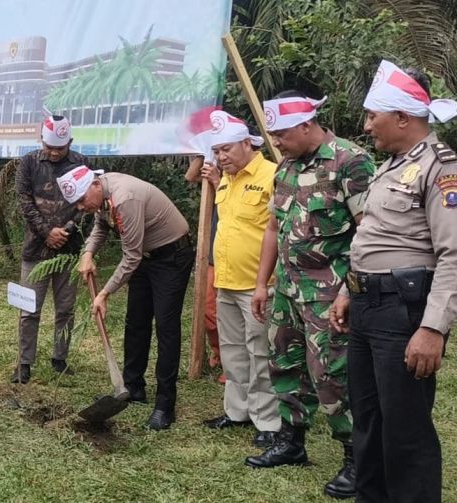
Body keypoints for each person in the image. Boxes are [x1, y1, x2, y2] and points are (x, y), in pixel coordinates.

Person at [330, 60, 457, 503]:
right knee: (368, 421)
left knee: (405, 430)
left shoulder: (444, 170)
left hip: (404, 311)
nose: (367, 125)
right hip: (368, 306)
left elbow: (454, 256)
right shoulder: (389, 165)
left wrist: (432, 328)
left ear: (402, 118)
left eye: (374, 116)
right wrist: (346, 289)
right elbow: (374, 237)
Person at [246, 91, 375, 499]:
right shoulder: (286, 166)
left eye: (282, 134)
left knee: (331, 374)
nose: (277, 142)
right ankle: (292, 441)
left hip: (330, 292)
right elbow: (272, 228)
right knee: (285, 363)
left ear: (307, 125)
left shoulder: (350, 161)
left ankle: (357, 457)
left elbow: (370, 234)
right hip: (288, 288)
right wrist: (263, 282)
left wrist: (350, 290)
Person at [61, 166, 194, 431]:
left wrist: (104, 293)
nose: (80, 207)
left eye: (81, 200)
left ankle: (165, 405)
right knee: (136, 323)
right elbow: (101, 225)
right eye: (74, 203)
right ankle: (133, 388)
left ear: (95, 185)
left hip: (171, 257)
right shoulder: (102, 196)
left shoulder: (125, 198)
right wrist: (88, 253)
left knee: (166, 327)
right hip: (146, 257)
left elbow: (130, 256)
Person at [198, 111, 280, 448]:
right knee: (233, 352)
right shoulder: (227, 180)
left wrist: (264, 283)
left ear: (248, 143)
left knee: (261, 351)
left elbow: (277, 232)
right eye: (216, 151)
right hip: (227, 281)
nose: (220, 157)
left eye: (226, 149)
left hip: (258, 285)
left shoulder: (271, 175)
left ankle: (268, 421)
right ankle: (237, 411)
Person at [12, 115, 89, 384]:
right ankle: (23, 363)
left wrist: (66, 230)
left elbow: (87, 204)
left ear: (70, 141)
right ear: (41, 140)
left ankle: (60, 358)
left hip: (69, 248)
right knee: (28, 309)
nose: (54, 152)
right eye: (50, 146)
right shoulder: (29, 162)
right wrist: (47, 232)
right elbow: (24, 201)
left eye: (60, 147)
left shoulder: (81, 164)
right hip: (35, 248)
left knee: (66, 309)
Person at [184, 156, 224, 382]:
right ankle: (218, 353)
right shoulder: (216, 164)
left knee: (231, 312)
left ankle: (232, 363)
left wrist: (219, 182)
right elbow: (190, 176)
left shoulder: (253, 174)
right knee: (209, 310)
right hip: (213, 251)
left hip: (236, 252)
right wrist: (202, 152)